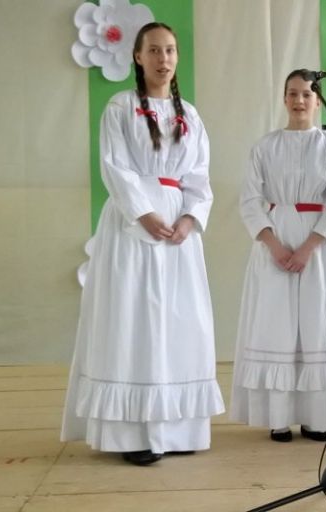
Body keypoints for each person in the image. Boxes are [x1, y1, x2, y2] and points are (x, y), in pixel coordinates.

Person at [61, 22, 224, 466]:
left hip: (178, 232)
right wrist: (144, 213)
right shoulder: (121, 107)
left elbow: (199, 176)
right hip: (133, 224)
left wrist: (190, 218)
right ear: (137, 57)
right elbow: (114, 166)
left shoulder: (191, 115)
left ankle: (177, 428)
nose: (162, 58)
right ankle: (132, 433)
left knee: (179, 322)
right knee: (134, 320)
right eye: (153, 50)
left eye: (169, 50)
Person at [230, 69, 326, 442]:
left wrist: (309, 246)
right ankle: (278, 416)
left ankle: (315, 418)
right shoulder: (264, 146)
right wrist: (275, 244)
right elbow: (250, 200)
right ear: (284, 98)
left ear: (318, 101)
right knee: (276, 325)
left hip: (317, 246)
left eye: (307, 94)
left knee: (315, 324)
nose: (300, 100)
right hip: (275, 241)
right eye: (293, 93)